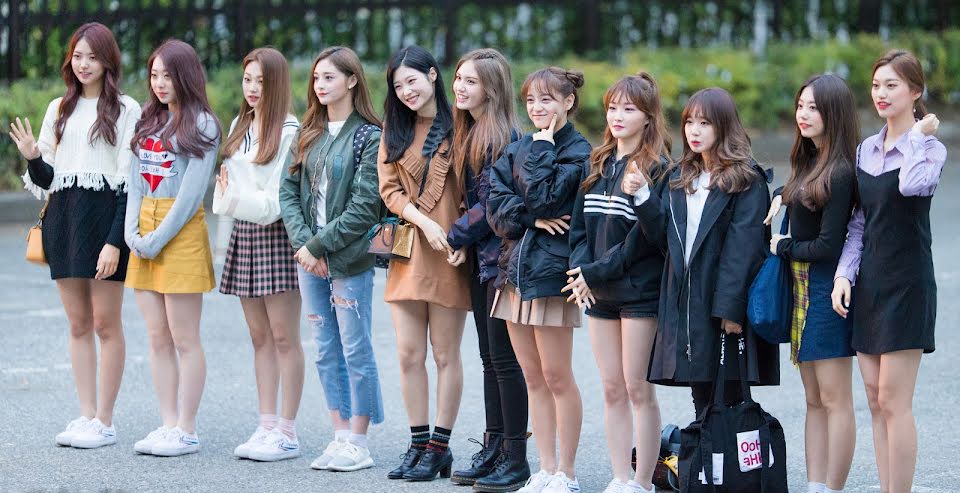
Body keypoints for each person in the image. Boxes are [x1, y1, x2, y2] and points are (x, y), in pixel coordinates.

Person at [8, 22, 140, 449]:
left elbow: (129, 182)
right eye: (77, 56)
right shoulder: (58, 109)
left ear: (108, 61)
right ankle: (86, 414)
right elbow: (48, 179)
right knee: (79, 323)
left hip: (105, 222)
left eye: (92, 57)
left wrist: (115, 241)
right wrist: (32, 157)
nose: (83, 64)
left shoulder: (126, 109)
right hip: (64, 220)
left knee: (105, 323)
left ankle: (105, 420)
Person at [622, 87, 779, 419]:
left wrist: (731, 310)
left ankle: (724, 453)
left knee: (729, 397)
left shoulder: (746, 180)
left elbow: (744, 251)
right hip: (688, 301)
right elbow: (664, 239)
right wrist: (644, 198)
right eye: (689, 122)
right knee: (701, 393)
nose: (694, 130)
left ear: (724, 126)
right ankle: (708, 452)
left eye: (705, 123)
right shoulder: (681, 177)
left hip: (721, 302)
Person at [832, 49, 946, 493]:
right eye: (876, 85)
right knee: (875, 399)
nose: (881, 93)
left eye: (892, 85)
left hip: (908, 283)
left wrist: (914, 136)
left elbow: (910, 185)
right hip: (870, 284)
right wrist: (844, 274)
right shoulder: (865, 149)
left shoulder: (930, 149)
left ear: (915, 91)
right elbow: (860, 221)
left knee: (895, 401)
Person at [279, 46, 384, 472]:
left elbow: (365, 206)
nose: (320, 85)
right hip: (310, 260)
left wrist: (318, 246)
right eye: (317, 77)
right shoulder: (308, 131)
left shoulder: (369, 137)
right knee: (324, 348)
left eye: (330, 77)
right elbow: (287, 193)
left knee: (355, 347)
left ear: (352, 80)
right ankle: (339, 434)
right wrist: (305, 245)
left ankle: (359, 441)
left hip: (349, 260)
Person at [487, 66, 592, 493]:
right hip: (514, 274)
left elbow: (546, 197)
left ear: (568, 101)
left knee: (557, 376)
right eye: (530, 100)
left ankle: (567, 472)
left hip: (551, 278)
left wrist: (544, 149)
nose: (536, 108)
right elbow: (497, 211)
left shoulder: (579, 152)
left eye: (547, 99)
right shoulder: (518, 147)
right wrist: (531, 219)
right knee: (532, 377)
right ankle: (545, 469)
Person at [566, 73, 670, 493]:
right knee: (611, 389)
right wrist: (581, 273)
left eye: (629, 109)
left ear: (648, 117)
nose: (618, 116)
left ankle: (642, 481)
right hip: (598, 292)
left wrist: (593, 272)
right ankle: (620, 477)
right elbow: (578, 231)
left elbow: (646, 240)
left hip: (639, 293)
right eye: (612, 107)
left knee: (637, 388)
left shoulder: (657, 169)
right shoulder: (596, 164)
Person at [378, 45, 471, 482]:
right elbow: (390, 191)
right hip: (408, 249)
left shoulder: (462, 126)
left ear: (433, 75)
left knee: (445, 353)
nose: (406, 91)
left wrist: (464, 237)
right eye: (398, 86)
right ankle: (417, 444)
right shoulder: (393, 130)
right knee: (408, 354)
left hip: (451, 251)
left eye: (411, 81)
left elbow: (476, 189)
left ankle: (439, 447)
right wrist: (424, 222)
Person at [125, 39, 221, 457]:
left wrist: (155, 238)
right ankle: (167, 423)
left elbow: (190, 195)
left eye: (168, 75)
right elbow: (134, 182)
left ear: (186, 75)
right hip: (143, 229)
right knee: (156, 337)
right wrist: (131, 233)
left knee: (184, 338)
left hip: (178, 233)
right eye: (154, 75)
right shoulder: (148, 120)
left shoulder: (203, 124)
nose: (160, 83)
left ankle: (187, 428)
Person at [764, 74, 859, 493]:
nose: (803, 114)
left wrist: (783, 246)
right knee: (814, 399)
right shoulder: (809, 161)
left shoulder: (840, 170)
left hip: (827, 291)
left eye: (814, 108)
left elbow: (827, 246)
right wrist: (779, 196)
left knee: (835, 400)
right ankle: (815, 485)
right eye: (801, 105)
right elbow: (799, 201)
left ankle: (833, 487)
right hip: (802, 290)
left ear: (834, 113)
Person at [212, 47, 304, 462]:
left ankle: (287, 431)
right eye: (247, 79)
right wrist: (229, 207)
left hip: (278, 237)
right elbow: (229, 191)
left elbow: (274, 204)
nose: (252, 88)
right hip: (245, 235)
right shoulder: (241, 124)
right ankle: (265, 424)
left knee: (284, 336)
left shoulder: (290, 132)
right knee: (259, 337)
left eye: (261, 81)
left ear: (277, 83)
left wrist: (232, 198)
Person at [445, 48, 529, 492]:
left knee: (505, 361)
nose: (459, 87)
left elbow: (492, 205)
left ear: (492, 89)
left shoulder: (504, 137)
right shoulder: (471, 131)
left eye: (471, 81)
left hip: (503, 261)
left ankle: (515, 458)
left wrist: (455, 236)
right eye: (459, 78)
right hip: (482, 261)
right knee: (489, 358)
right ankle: (493, 448)